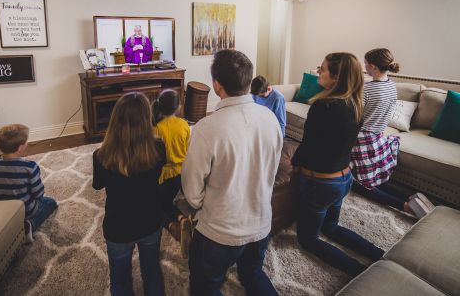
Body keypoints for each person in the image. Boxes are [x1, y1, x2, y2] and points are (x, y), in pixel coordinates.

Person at [182, 50, 283, 296]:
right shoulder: (270, 119)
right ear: (249, 80)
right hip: (261, 224)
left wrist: (202, 205)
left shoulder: (207, 128)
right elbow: (271, 168)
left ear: (216, 85)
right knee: (253, 273)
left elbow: (191, 188)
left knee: (205, 286)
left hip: (220, 232)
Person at [292, 52, 384, 277]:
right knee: (330, 227)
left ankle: (362, 273)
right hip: (344, 179)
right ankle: (381, 255)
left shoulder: (323, 107)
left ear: (336, 78)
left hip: (322, 185)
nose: (318, 72)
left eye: (322, 69)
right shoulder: (356, 103)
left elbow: (307, 148)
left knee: (308, 239)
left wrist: (293, 165)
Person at [93, 92, 165, 296]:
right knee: (152, 272)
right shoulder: (159, 149)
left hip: (118, 227)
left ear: (115, 119)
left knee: (120, 281)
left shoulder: (101, 156)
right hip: (151, 222)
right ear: (147, 119)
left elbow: (98, 185)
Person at [351, 48, 434, 218]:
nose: (364, 66)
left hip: (362, 139)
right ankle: (413, 197)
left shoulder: (367, 90)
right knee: (376, 179)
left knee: (358, 183)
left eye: (366, 63)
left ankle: (403, 205)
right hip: (378, 137)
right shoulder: (390, 85)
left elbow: (355, 116)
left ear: (373, 66)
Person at [0, 124, 57, 243]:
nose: (27, 144)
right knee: (50, 202)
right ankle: (28, 225)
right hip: (24, 210)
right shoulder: (29, 167)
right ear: (20, 148)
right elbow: (38, 194)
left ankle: (6, 224)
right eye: (26, 142)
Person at [152, 89, 192, 257]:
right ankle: (181, 219)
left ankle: (173, 222)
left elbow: (154, 158)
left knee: (154, 207)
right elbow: (190, 151)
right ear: (178, 107)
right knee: (168, 200)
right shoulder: (184, 125)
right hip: (184, 174)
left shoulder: (157, 128)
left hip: (165, 176)